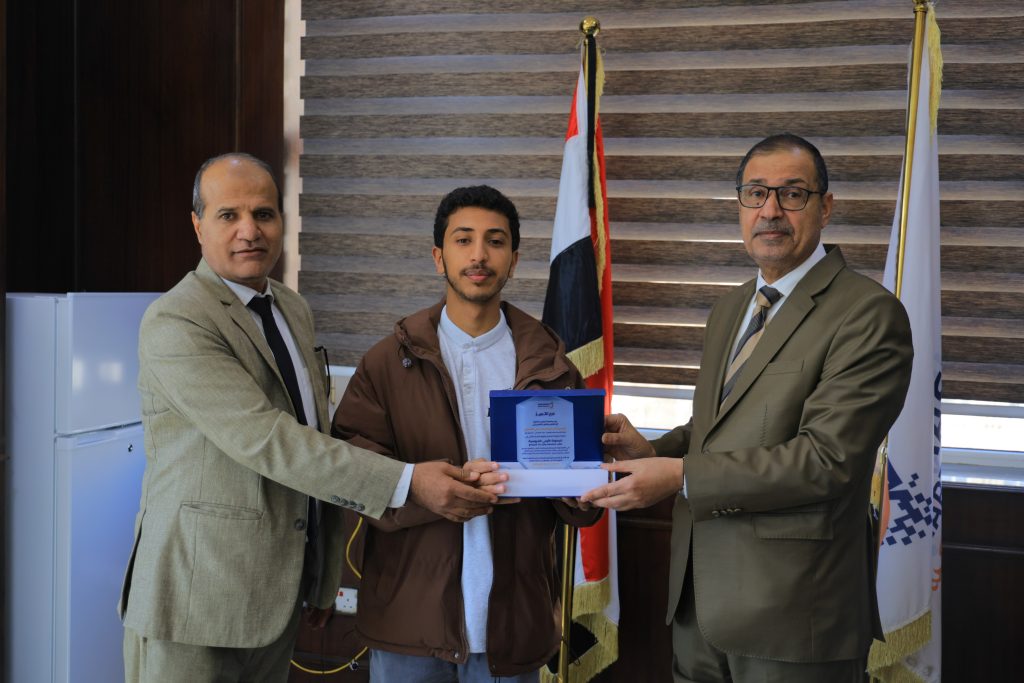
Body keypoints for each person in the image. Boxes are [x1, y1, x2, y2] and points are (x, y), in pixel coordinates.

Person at [119, 154, 502, 682]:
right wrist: (408, 481)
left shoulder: (290, 308)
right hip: (193, 599)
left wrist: (320, 574)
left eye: (264, 214)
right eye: (229, 215)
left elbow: (313, 431)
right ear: (198, 224)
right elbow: (268, 440)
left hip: (273, 595)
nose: (250, 231)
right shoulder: (177, 319)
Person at [581, 134, 914, 683]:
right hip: (697, 610)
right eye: (756, 193)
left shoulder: (868, 315)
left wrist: (678, 475)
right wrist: (652, 451)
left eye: (793, 194)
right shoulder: (731, 307)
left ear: (826, 207)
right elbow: (717, 429)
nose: (771, 210)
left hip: (794, 619)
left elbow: (826, 460)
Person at [332, 185, 602, 682]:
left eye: (495, 241)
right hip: (409, 620)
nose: (479, 255)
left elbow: (578, 503)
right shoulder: (387, 362)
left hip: (513, 625)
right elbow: (349, 471)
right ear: (439, 256)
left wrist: (582, 487)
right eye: (463, 240)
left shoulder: (552, 365)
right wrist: (423, 491)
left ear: (513, 260)